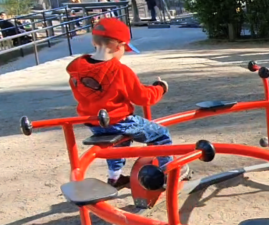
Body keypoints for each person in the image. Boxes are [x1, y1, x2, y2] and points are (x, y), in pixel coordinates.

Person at [65, 18, 187, 188]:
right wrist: (160, 88)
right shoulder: (120, 70)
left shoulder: (76, 70)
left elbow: (85, 94)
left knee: (116, 145)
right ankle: (169, 171)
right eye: (124, 48)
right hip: (120, 121)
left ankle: (114, 177)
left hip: (94, 122)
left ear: (94, 41)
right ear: (118, 46)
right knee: (160, 134)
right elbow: (142, 97)